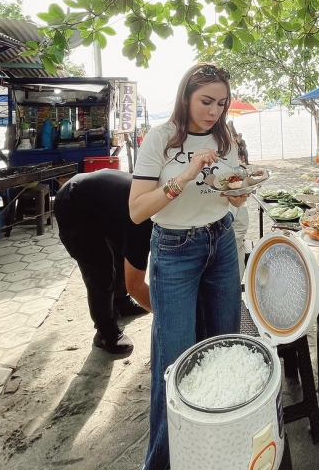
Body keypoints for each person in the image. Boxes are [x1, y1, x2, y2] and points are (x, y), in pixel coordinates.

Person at [129, 63, 250, 470]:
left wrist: (239, 191)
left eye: (221, 102)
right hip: (175, 248)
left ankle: (216, 451)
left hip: (221, 241)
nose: (214, 110)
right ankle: (162, 461)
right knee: (174, 361)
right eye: (205, 101)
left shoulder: (225, 135)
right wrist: (188, 172)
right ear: (185, 97)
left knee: (224, 346)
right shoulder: (160, 139)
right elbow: (137, 210)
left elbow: (231, 188)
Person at [54, 170, 152, 355]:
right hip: (73, 203)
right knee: (100, 270)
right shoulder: (143, 219)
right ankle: (105, 331)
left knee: (122, 254)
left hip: (104, 204)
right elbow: (136, 282)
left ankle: (120, 302)